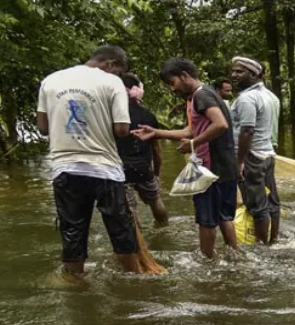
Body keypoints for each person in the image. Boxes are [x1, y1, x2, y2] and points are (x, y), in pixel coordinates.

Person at [36, 45, 141, 276]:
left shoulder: (50, 80)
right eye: (120, 71)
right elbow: (122, 129)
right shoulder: (112, 82)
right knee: (120, 230)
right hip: (105, 169)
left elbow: (43, 128)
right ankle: (134, 282)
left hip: (65, 167)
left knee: (72, 231)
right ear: (111, 64)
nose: (119, 76)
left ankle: (75, 284)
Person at [133, 58, 238, 258]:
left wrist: (193, 144)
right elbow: (191, 130)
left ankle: (207, 265)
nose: (173, 89)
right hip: (226, 167)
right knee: (224, 217)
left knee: (206, 219)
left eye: (172, 83)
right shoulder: (207, 94)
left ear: (184, 76)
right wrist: (156, 133)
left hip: (209, 169)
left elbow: (220, 124)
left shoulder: (201, 96)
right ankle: (235, 258)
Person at [229, 57, 281, 245]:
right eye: (233, 71)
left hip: (251, 157)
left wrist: (240, 161)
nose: (234, 75)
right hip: (267, 154)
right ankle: (273, 241)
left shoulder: (247, 98)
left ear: (253, 74)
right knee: (272, 202)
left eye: (239, 71)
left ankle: (261, 247)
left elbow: (247, 130)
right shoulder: (271, 96)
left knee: (256, 204)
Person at [117, 73, 168, 225]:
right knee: (155, 199)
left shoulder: (114, 115)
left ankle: (138, 243)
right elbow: (157, 150)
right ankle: (164, 227)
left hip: (121, 169)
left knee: (130, 208)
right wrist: (157, 173)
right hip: (144, 168)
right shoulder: (148, 116)